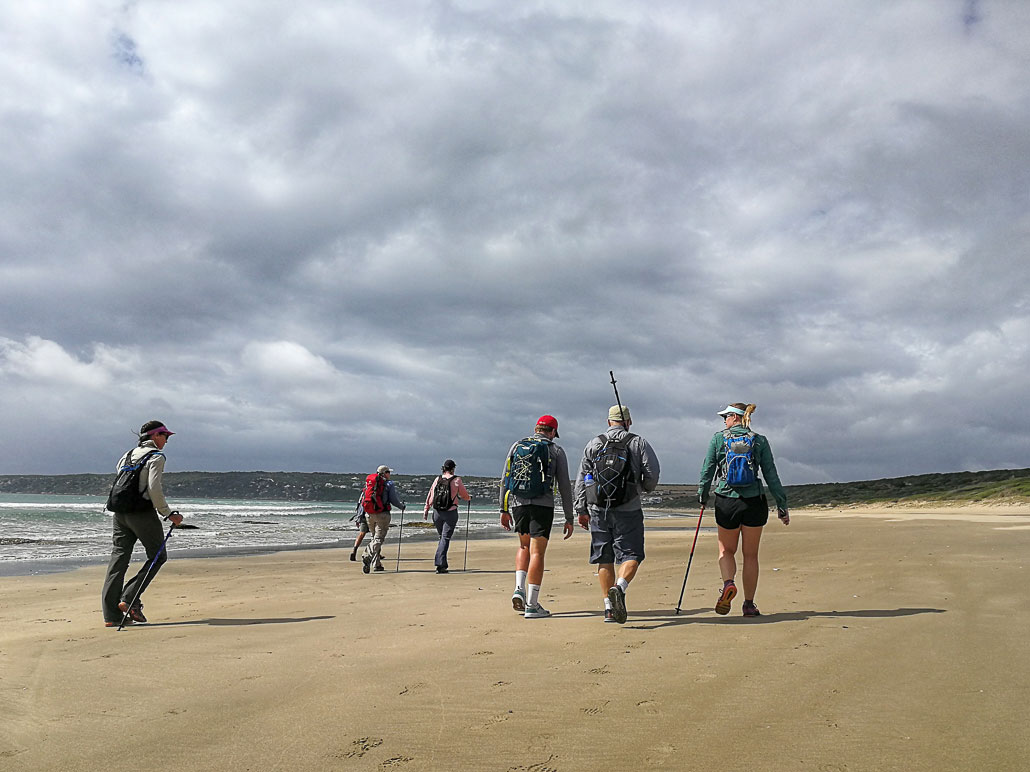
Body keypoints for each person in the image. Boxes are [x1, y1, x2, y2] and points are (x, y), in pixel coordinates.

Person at [698, 403, 789, 618]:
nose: (723, 421)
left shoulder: (718, 439)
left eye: (725, 417)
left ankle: (728, 583)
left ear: (734, 417)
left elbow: (707, 470)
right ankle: (748, 605)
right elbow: (771, 475)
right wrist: (782, 504)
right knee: (750, 555)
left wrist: (702, 496)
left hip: (726, 501)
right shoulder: (759, 440)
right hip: (754, 502)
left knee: (726, 551)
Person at [574, 405, 661, 624]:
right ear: (628, 421)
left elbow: (581, 479)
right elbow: (652, 474)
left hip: (598, 509)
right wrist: (641, 488)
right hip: (628, 508)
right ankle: (620, 588)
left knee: (604, 557)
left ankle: (608, 610)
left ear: (608, 421)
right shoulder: (638, 442)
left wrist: (581, 509)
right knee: (631, 554)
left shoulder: (594, 443)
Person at [101, 420, 183, 627]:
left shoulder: (127, 455)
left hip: (119, 513)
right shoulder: (156, 456)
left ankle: (111, 616)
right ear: (155, 436)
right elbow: (154, 489)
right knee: (158, 556)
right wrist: (168, 513)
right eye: (165, 436)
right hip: (141, 513)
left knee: (118, 559)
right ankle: (129, 598)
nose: (166, 440)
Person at [499, 415, 574, 619]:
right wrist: (570, 517)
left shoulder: (517, 446)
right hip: (543, 505)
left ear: (536, 428)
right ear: (552, 432)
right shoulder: (556, 450)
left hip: (518, 503)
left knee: (523, 547)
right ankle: (532, 604)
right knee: (537, 553)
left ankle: (518, 589)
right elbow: (565, 486)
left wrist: (503, 509)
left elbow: (505, 478)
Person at [423, 459, 472, 573]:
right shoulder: (457, 480)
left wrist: (426, 509)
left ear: (443, 468)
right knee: (445, 538)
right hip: (450, 512)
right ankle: (440, 564)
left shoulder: (437, 479)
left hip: (437, 512)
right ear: (453, 468)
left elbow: (431, 494)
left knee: (442, 537)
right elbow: (464, 495)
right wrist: (469, 498)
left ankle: (442, 563)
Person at [361, 465, 406, 574]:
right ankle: (367, 555)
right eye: (389, 472)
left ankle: (376, 564)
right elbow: (393, 499)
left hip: (369, 513)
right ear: (385, 473)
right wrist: (401, 507)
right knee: (378, 539)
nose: (390, 474)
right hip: (382, 514)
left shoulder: (369, 483)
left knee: (374, 537)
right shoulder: (388, 484)